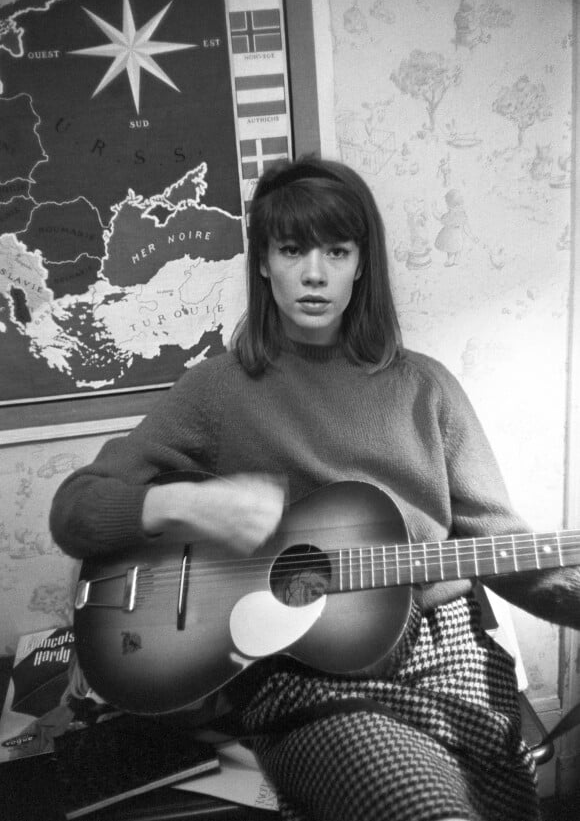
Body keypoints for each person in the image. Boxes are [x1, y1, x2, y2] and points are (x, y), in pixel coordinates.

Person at [50, 156, 580, 821]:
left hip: (450, 659)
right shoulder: (218, 390)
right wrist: (182, 502)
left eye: (337, 249)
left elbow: (509, 552)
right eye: (292, 248)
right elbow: (76, 509)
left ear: (362, 264)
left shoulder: (428, 388)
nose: (314, 272)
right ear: (264, 262)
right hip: (309, 685)